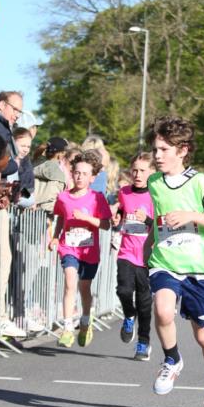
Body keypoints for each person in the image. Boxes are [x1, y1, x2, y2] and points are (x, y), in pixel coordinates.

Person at [145, 115, 204, 407]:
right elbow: (157, 221)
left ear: (182, 151)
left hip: (198, 268)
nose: (157, 155)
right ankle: (171, 359)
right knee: (163, 311)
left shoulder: (201, 182)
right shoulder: (154, 183)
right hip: (165, 262)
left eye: (163, 149)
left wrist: (189, 215)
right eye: (155, 149)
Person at [49, 150, 112, 349]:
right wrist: (55, 238)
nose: (79, 177)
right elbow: (60, 218)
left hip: (89, 251)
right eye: (76, 172)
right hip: (69, 248)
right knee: (69, 282)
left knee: (84, 288)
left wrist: (86, 218)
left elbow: (106, 224)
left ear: (93, 177)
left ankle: (85, 322)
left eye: (84, 174)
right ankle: (67, 328)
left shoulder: (97, 198)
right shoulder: (64, 197)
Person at [115, 152, 155, 360]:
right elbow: (120, 211)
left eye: (143, 170)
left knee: (145, 302)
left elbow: (162, 226)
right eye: (135, 170)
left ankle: (143, 342)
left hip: (147, 256)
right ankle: (129, 314)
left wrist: (147, 219)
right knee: (123, 290)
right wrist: (117, 216)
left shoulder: (157, 195)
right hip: (126, 252)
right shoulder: (124, 192)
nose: (138, 174)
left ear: (152, 172)